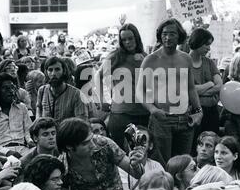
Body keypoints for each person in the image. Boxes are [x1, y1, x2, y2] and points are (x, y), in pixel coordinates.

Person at [136, 18, 203, 163]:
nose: (167, 37)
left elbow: (191, 88)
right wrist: (152, 109)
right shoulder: (150, 60)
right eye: (164, 33)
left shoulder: (186, 59)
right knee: (162, 164)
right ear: (160, 35)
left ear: (179, 35)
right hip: (162, 119)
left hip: (185, 119)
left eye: (172, 34)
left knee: (183, 164)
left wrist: (198, 111)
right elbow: (139, 91)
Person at [95, 23, 149, 150]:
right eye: (124, 39)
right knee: (121, 156)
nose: (127, 42)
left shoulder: (145, 57)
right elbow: (98, 75)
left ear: (137, 38)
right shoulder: (116, 56)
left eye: (130, 38)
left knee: (142, 155)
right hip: (121, 114)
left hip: (144, 113)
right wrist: (101, 100)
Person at [56, 118, 145, 190]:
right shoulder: (62, 168)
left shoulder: (104, 144)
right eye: (85, 143)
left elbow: (137, 174)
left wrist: (136, 164)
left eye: (91, 138)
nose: (93, 145)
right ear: (69, 146)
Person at [0, 73, 35, 158]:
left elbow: (28, 130)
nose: (11, 91)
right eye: (6, 88)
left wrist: (30, 141)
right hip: (2, 154)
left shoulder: (22, 107)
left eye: (13, 87)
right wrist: (8, 152)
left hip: (24, 149)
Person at [188, 28, 222, 134]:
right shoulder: (183, 63)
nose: (209, 48)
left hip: (212, 111)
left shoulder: (210, 63)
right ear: (197, 41)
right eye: (206, 44)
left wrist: (197, 91)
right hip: (193, 112)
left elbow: (219, 86)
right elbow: (186, 90)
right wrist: (209, 84)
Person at [37, 57, 88, 123]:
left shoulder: (77, 94)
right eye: (50, 70)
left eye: (57, 69)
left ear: (64, 71)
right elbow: (38, 113)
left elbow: (82, 123)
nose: (53, 74)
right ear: (46, 72)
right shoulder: (42, 91)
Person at [118, 126, 164, 190]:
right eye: (133, 141)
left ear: (150, 146)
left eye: (143, 140)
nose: (138, 144)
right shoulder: (121, 168)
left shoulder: (156, 166)